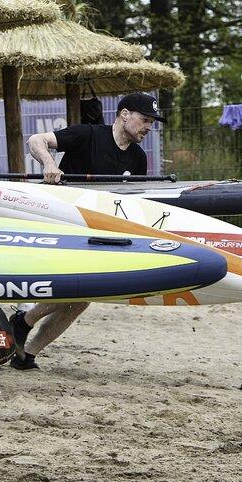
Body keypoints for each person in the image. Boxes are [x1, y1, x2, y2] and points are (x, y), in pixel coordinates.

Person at [19, 92, 165, 369]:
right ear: (124, 115)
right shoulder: (87, 134)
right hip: (61, 227)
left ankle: (27, 351)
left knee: (83, 299)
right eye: (145, 120)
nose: (149, 127)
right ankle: (23, 323)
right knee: (80, 291)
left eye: (152, 122)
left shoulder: (138, 158)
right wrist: (49, 165)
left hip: (96, 236)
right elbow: (36, 140)